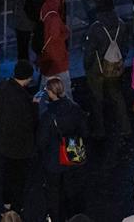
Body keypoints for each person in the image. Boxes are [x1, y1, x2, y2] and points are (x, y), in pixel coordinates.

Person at [84, 0, 133, 141]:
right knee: (117, 95)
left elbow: (89, 52)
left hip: (97, 69)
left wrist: (87, 66)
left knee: (97, 99)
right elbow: (125, 46)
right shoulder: (121, 24)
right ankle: (125, 127)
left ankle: (99, 130)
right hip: (114, 67)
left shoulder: (96, 28)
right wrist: (120, 59)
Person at [37, 74, 87, 222]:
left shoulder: (48, 116)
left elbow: (41, 141)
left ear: (51, 93)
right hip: (73, 153)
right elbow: (84, 131)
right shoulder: (75, 108)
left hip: (54, 160)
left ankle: (57, 217)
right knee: (72, 189)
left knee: (54, 193)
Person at [0, 62, 39, 212]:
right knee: (19, 178)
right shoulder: (23, 99)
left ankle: (6, 201)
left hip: (4, 142)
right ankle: (16, 208)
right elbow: (30, 122)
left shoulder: (2, 88)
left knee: (7, 173)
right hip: (20, 147)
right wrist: (34, 105)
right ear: (27, 78)